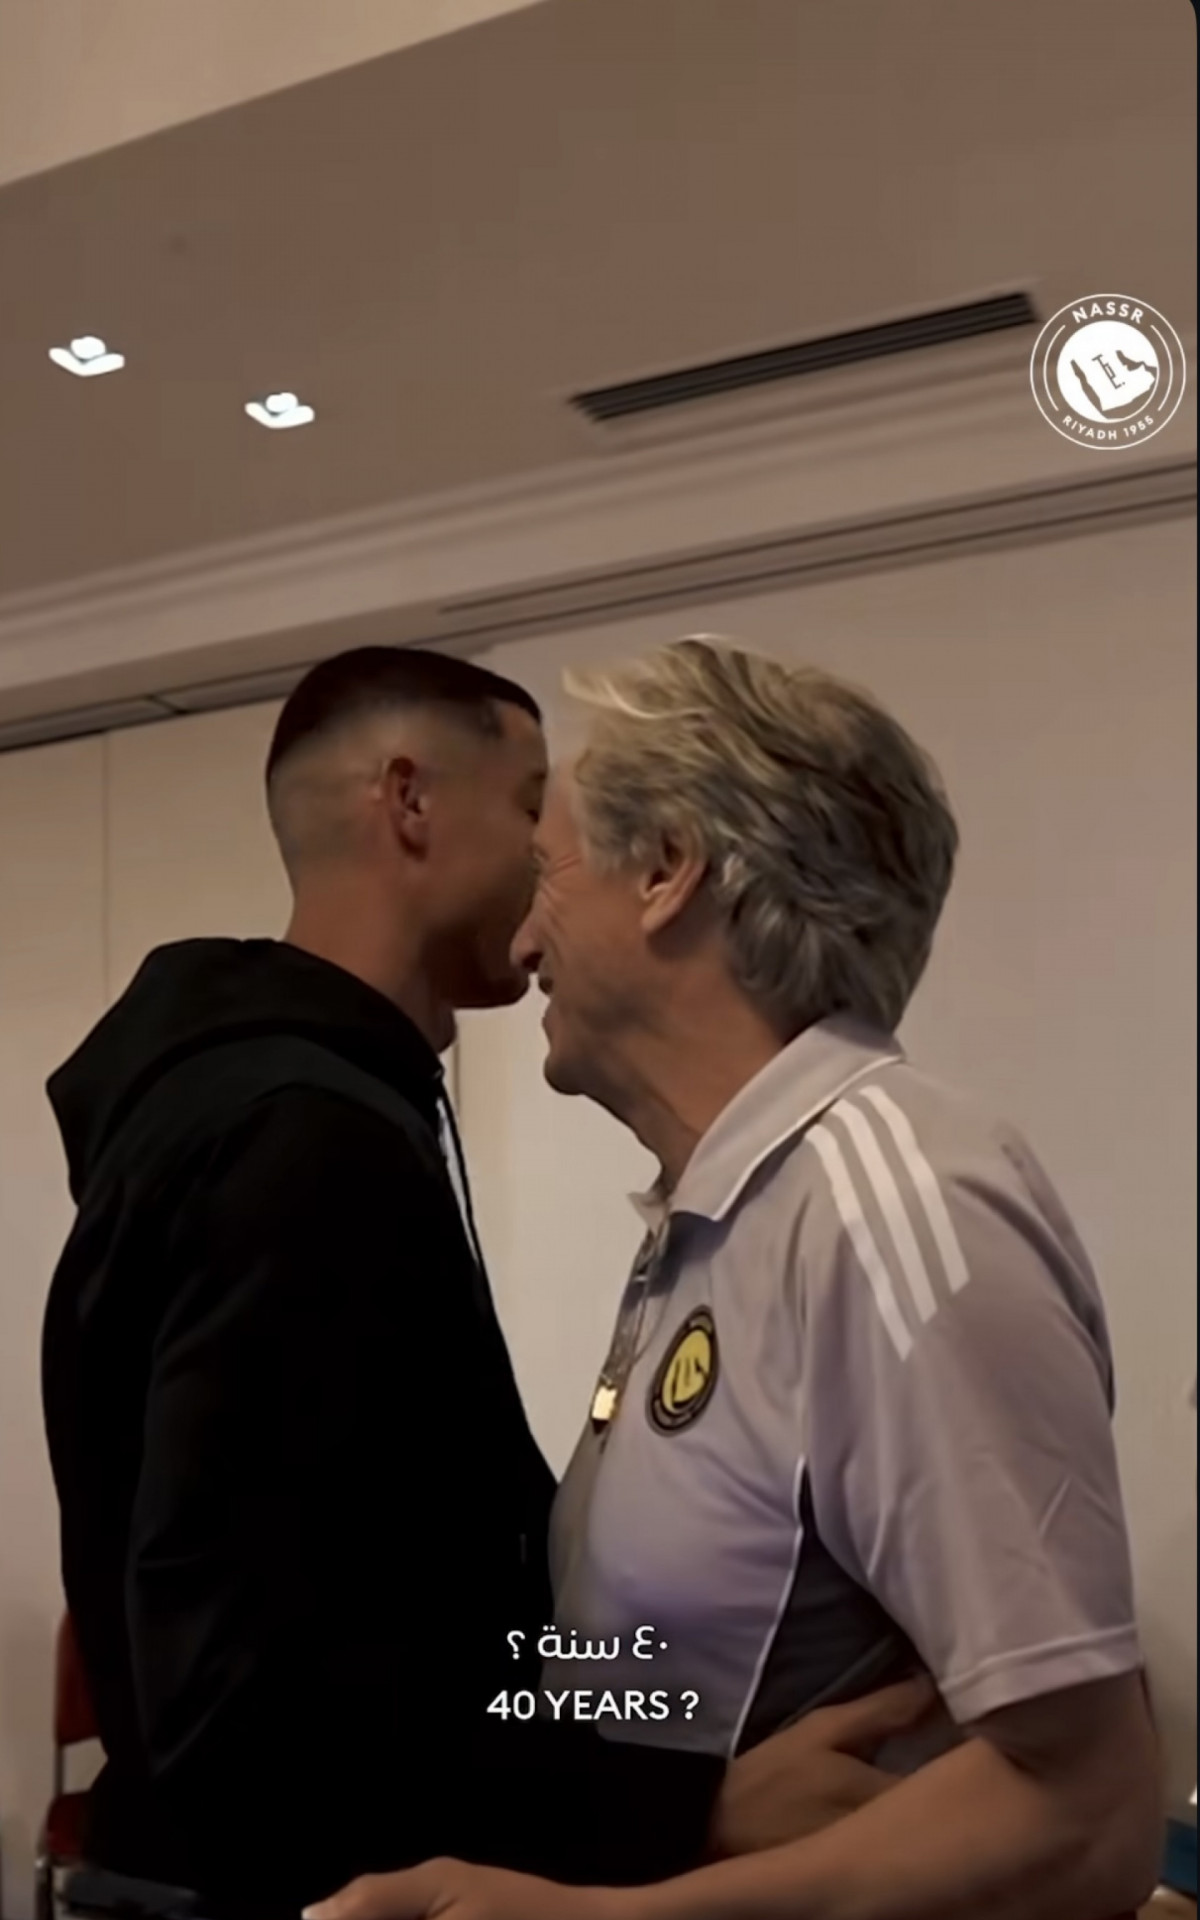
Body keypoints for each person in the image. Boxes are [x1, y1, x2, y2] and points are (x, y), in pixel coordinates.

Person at [41, 646, 926, 1915]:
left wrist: (674, 1718)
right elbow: (262, 1711)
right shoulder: (300, 1139)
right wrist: (688, 1805)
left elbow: (426, 1619)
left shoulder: (312, 1111)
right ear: (410, 801)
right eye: (531, 807)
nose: (559, 862)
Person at [310, 638, 1161, 1920]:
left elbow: (1087, 1808)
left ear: (668, 871)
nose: (524, 939)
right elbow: (649, 1668)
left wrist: (596, 1919)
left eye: (548, 874)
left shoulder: (890, 1203)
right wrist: (455, 1721)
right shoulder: (714, 1226)